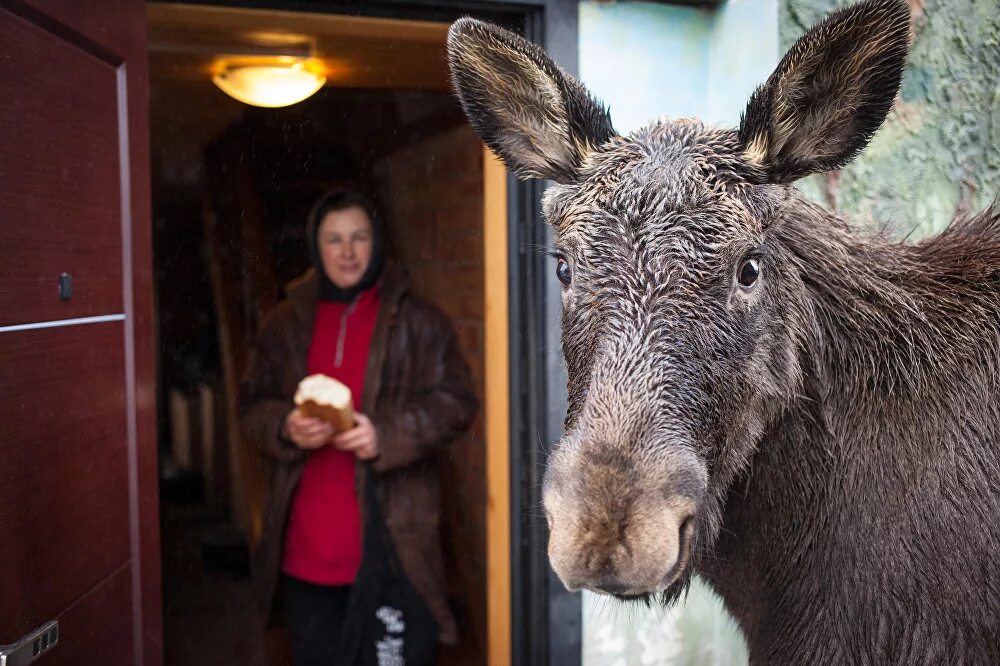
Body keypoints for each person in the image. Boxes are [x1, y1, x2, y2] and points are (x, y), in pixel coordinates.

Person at [239, 187, 479, 666]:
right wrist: (286, 426)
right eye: (333, 240)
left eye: (358, 238)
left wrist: (383, 434)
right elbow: (249, 408)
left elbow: (458, 402)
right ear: (315, 246)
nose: (346, 252)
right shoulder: (283, 324)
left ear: (377, 243)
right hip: (305, 556)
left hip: (396, 553)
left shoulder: (418, 320)